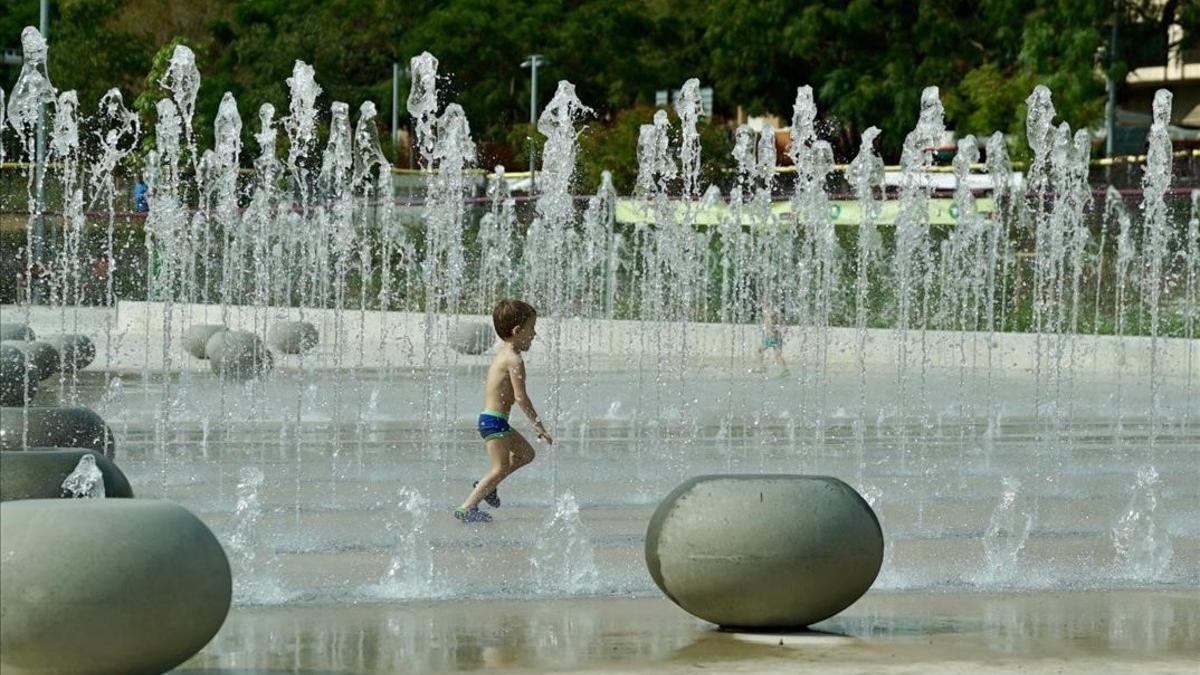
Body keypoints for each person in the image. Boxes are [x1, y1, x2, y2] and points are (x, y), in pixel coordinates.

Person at [455, 299, 553, 523]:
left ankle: (487, 487)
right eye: (532, 329)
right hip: (494, 422)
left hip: (495, 421)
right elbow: (520, 397)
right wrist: (538, 425)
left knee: (526, 454)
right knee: (499, 468)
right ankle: (466, 508)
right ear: (517, 331)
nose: (534, 335)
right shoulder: (514, 359)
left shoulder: (503, 354)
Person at [756, 305, 788, 375]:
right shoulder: (770, 318)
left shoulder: (771, 317)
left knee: (777, 355)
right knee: (776, 355)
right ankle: (784, 369)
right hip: (772, 338)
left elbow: (777, 325)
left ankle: (784, 370)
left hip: (772, 338)